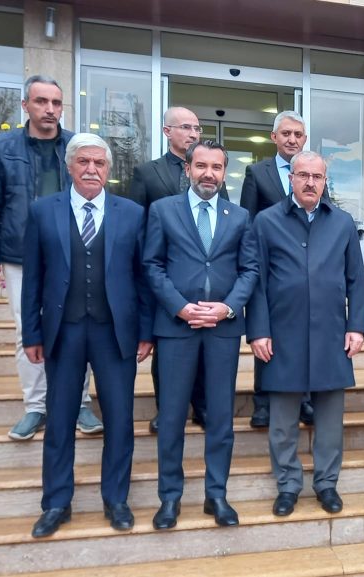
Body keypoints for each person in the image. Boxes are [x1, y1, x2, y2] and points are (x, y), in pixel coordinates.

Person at [21, 133, 154, 538]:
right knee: (60, 418)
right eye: (84, 162)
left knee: (120, 419)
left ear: (109, 169)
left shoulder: (132, 213)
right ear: (70, 167)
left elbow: (143, 278)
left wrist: (146, 331)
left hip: (115, 332)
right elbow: (33, 278)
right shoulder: (43, 211)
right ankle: (56, 502)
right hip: (64, 331)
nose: (92, 169)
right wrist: (32, 334)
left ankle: (116, 499)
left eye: (99, 163)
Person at [0, 74, 101, 441]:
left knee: (78, 327)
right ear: (25, 105)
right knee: (26, 329)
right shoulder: (3, 147)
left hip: (72, 252)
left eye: (56, 103)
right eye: (41, 101)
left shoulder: (76, 146)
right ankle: (36, 406)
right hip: (20, 255)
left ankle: (80, 402)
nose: (49, 109)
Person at [143, 139, 258, 529]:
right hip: (177, 328)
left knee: (221, 417)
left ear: (225, 173)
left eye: (217, 167)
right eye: (202, 166)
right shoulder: (163, 210)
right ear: (188, 168)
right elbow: (152, 265)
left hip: (222, 330)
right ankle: (169, 498)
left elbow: (250, 270)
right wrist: (179, 306)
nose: (209, 174)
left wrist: (227, 307)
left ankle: (217, 495)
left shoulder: (239, 216)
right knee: (172, 416)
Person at [246, 150, 364, 517]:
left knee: (330, 419)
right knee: (282, 421)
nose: (310, 182)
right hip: (282, 335)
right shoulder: (266, 221)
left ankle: (327, 484)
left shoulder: (342, 222)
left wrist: (357, 326)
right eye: (303, 175)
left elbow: (356, 280)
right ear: (291, 179)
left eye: (317, 176)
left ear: (325, 180)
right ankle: (288, 484)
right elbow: (257, 282)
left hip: (331, 333)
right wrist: (258, 330)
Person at [127, 106, 223, 434]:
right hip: (165, 277)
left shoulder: (211, 175)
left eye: (196, 128)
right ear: (167, 131)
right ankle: (167, 408)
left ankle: (202, 406)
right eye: (185, 127)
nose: (193, 133)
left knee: (204, 346)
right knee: (167, 347)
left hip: (205, 277)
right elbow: (137, 227)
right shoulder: (147, 172)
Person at [239, 110, 320, 428]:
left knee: (304, 339)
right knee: (267, 336)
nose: (292, 139)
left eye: (298, 135)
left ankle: (304, 399)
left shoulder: (314, 174)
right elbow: (247, 221)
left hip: (306, 270)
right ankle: (263, 403)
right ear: (274, 137)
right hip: (271, 270)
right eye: (286, 133)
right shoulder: (257, 172)